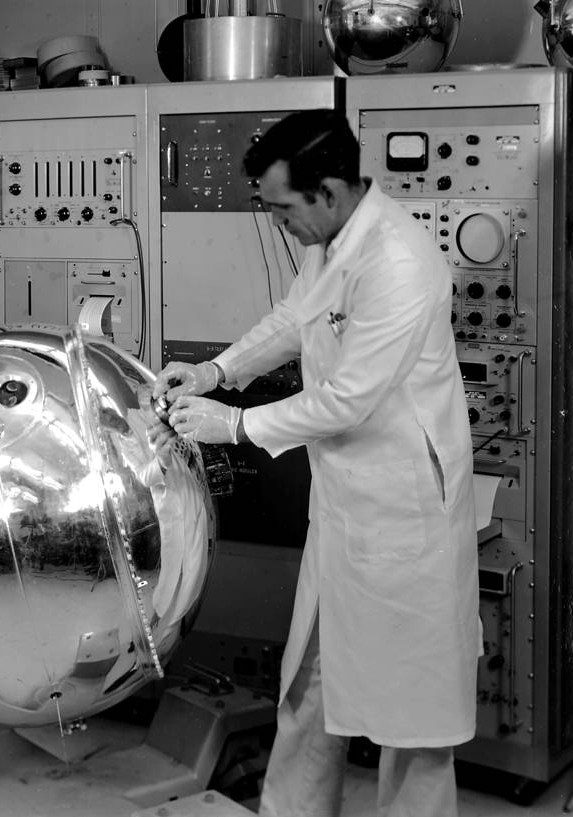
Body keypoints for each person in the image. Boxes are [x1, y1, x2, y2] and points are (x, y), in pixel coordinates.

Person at [150, 109, 479, 817]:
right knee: (306, 685)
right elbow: (293, 320)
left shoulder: (398, 260)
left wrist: (233, 425)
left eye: (280, 207)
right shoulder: (329, 239)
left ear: (327, 191)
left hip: (403, 517)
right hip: (344, 508)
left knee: (413, 724)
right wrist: (216, 372)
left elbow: (347, 401)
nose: (276, 222)